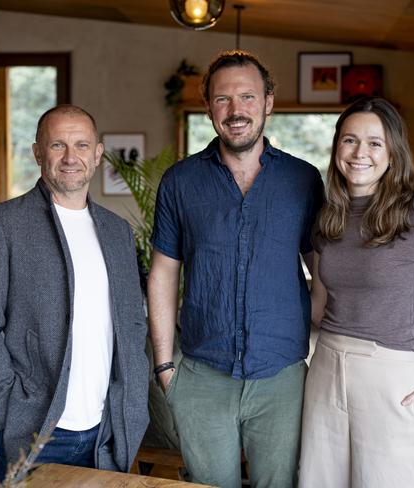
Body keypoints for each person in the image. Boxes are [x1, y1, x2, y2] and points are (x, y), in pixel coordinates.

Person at [148, 50, 323, 488]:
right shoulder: (180, 182)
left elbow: (326, 272)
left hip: (282, 377)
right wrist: (166, 368)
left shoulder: (303, 180)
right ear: (208, 107)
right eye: (222, 99)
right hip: (202, 375)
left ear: (268, 102)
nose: (236, 110)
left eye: (247, 96)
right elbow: (164, 274)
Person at [298, 97, 414, 488]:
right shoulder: (328, 215)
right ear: (336, 148)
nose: (360, 152)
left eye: (374, 142)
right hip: (326, 366)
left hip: (389, 377)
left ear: (393, 152)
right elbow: (320, 305)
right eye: (349, 140)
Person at [0, 105, 149, 483]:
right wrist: (9, 405)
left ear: (97, 154)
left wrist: (132, 401)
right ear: (37, 153)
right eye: (58, 145)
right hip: (36, 427)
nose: (70, 157)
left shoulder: (117, 232)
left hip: (107, 430)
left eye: (81, 145)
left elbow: (131, 324)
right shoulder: (3, 224)